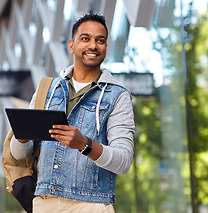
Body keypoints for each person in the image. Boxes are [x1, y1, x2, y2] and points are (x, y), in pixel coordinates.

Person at [10, 13, 135, 213]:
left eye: (100, 40)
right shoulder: (46, 90)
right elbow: (18, 154)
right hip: (45, 202)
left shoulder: (118, 96)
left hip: (91, 205)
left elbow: (123, 162)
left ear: (105, 47)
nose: (93, 46)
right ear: (71, 45)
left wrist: (84, 145)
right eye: (85, 39)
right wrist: (23, 137)